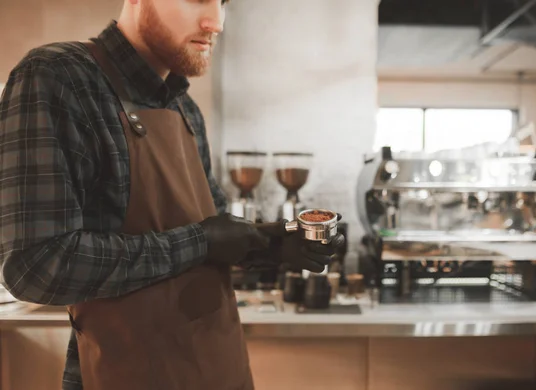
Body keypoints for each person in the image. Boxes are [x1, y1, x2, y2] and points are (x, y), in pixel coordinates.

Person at [0, 1, 344, 389]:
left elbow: (210, 235)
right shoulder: (59, 77)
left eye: (223, 1)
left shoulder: (186, 110)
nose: (215, 21)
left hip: (219, 370)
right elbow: (35, 266)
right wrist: (201, 242)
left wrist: (268, 246)